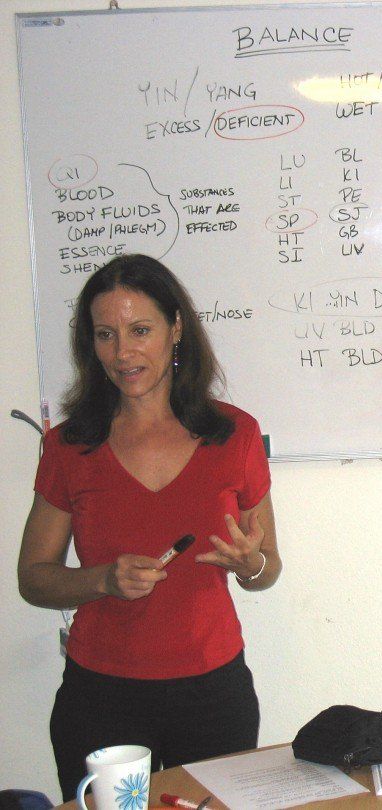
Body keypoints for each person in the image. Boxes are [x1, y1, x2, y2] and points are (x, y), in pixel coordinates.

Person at [17, 254, 282, 801]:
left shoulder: (235, 434)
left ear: (176, 328)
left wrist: (249, 563)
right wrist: (102, 581)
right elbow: (33, 578)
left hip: (213, 692)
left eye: (141, 330)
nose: (123, 352)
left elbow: (266, 569)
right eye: (106, 335)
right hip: (100, 696)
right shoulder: (70, 446)